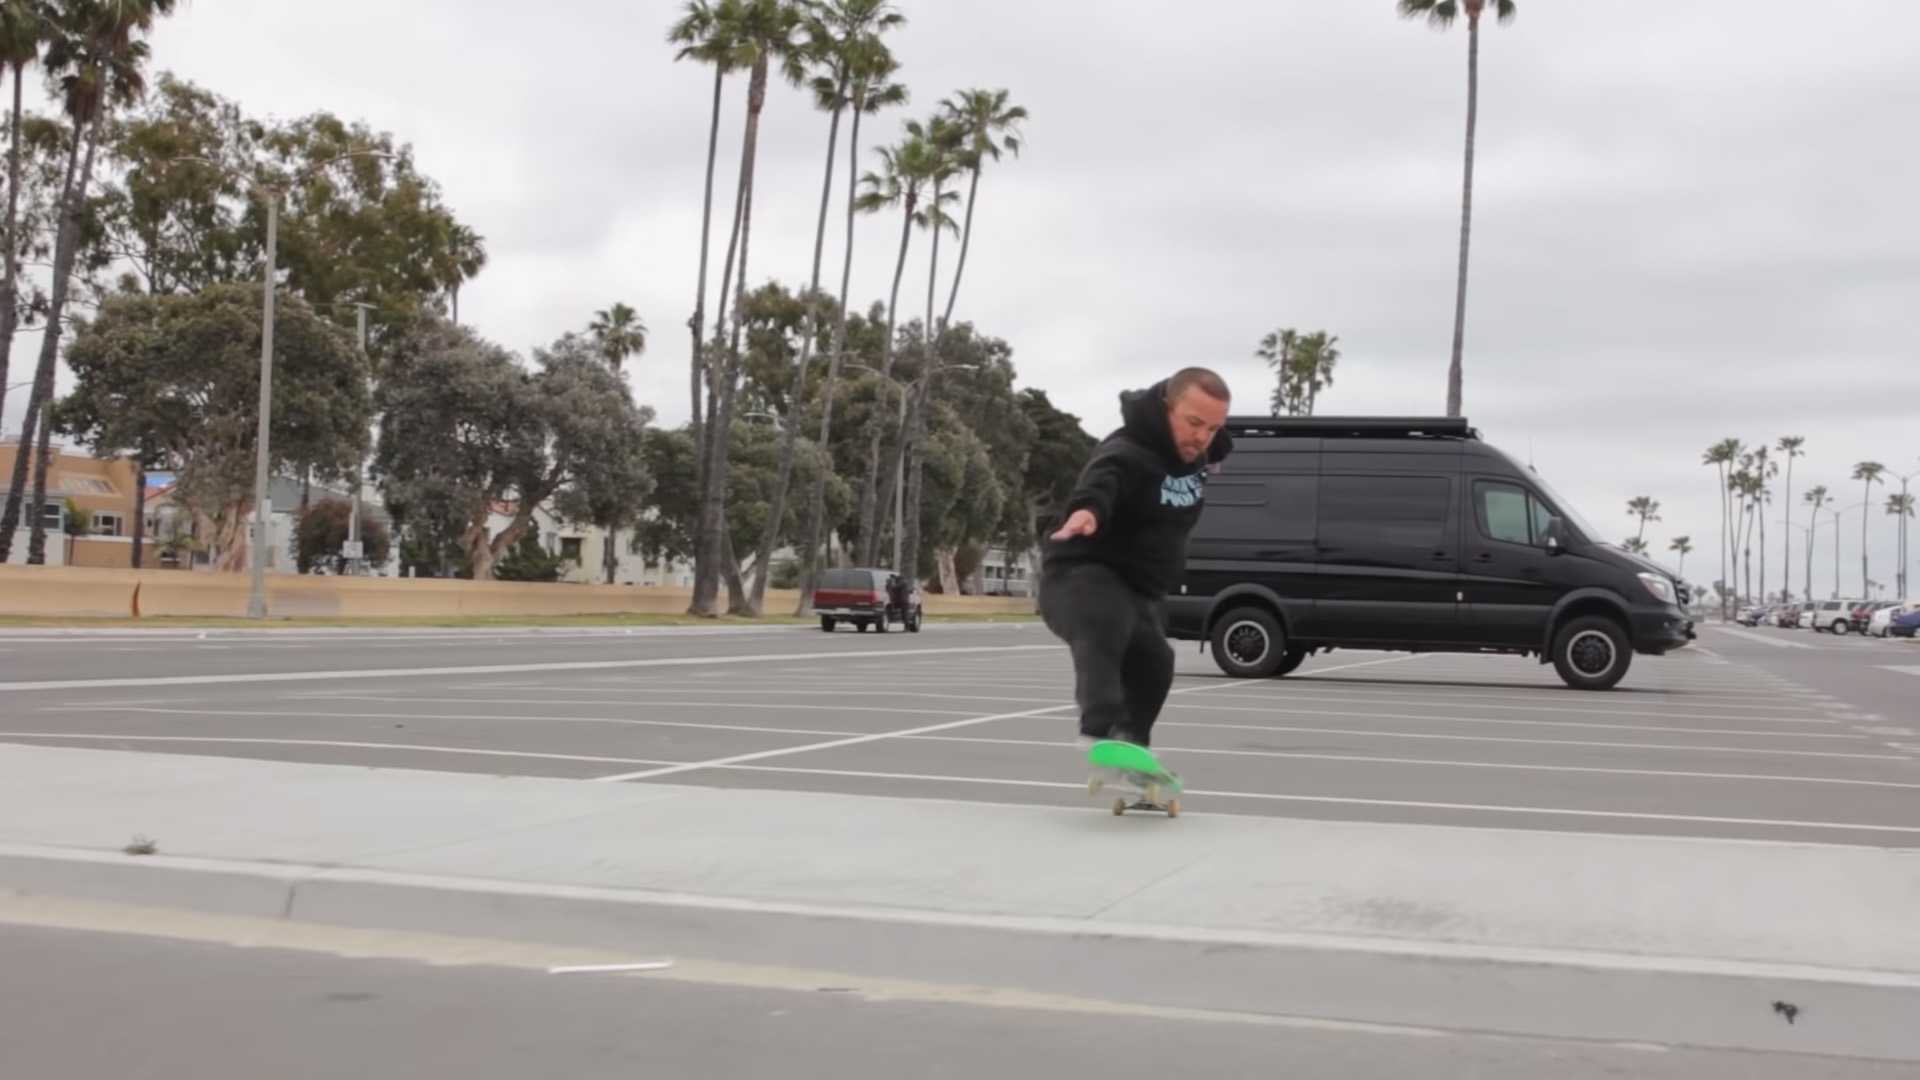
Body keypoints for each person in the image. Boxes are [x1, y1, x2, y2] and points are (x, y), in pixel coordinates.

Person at [1041, 367, 1232, 753]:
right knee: (1107, 624)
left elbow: (1212, 447)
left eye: (1212, 429)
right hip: (1080, 575)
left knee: (1156, 663)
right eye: (1193, 423)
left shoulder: (1199, 451)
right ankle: (1097, 728)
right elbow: (1102, 480)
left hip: (1138, 588)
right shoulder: (1127, 450)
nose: (1201, 438)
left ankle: (1131, 747)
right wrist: (1087, 511)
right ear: (1166, 407)